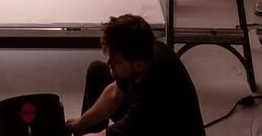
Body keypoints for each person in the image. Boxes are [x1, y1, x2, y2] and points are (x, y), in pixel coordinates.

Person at [64, 14, 205, 135]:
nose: (108, 62)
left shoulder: (151, 100)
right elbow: (114, 94)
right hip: (149, 119)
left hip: (160, 126)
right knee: (98, 72)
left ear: (138, 66)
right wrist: (82, 122)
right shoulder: (145, 51)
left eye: (115, 61)